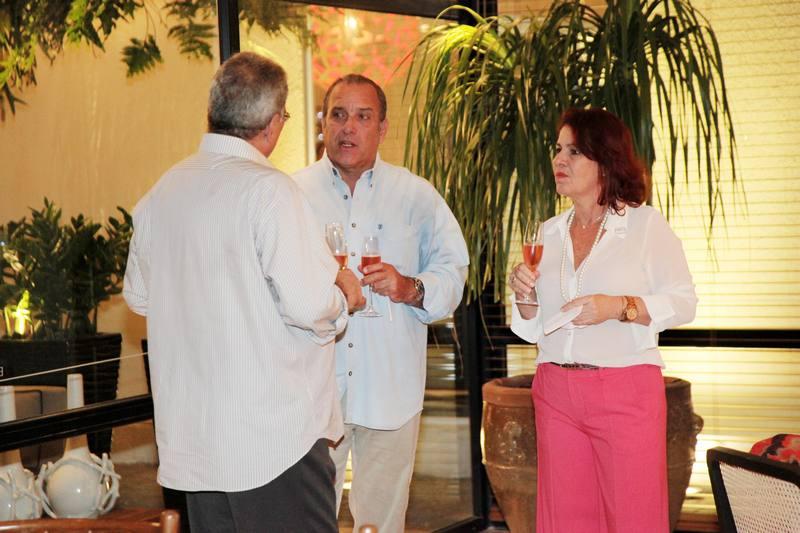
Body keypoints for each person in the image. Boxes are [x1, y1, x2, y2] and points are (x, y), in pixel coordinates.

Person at [123, 52, 365, 533]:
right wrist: (344, 294)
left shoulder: (163, 192)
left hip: (196, 442)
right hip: (272, 443)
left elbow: (139, 298)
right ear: (273, 124)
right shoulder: (270, 191)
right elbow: (309, 306)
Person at [293, 74, 469, 533]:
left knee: (383, 525)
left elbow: (453, 271)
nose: (348, 127)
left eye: (362, 116)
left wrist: (410, 287)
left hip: (391, 389)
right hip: (312, 396)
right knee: (306, 523)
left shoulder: (416, 196)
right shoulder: (291, 195)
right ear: (323, 123)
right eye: (338, 115)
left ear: (383, 128)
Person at [508, 108, 697, 532]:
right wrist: (524, 295)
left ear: (606, 160)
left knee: (634, 519)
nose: (559, 160)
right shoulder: (547, 232)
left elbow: (684, 302)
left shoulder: (644, 225)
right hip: (555, 391)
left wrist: (618, 307)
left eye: (574, 151)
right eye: (558, 149)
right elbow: (533, 323)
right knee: (565, 523)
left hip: (625, 390)